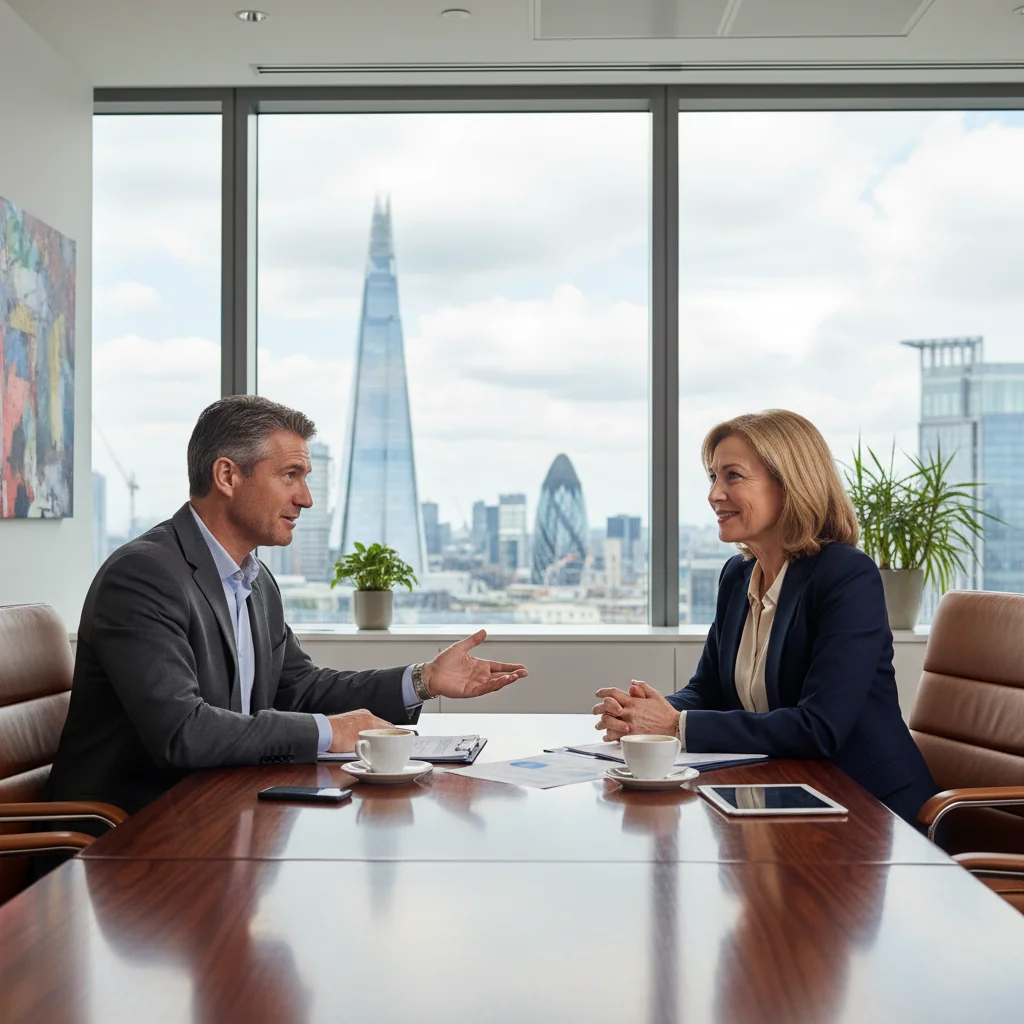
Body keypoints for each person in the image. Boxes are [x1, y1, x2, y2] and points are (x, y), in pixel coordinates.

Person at [48, 395, 528, 815]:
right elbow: (183, 732)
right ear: (227, 475)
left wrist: (423, 680)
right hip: (129, 836)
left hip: (222, 809)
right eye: (290, 476)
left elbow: (300, 689)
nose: (306, 499)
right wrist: (329, 732)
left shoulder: (255, 579)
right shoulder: (143, 577)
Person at [592, 409, 937, 824]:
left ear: (789, 484)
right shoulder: (737, 576)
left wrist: (676, 725)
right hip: (784, 796)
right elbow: (708, 690)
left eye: (732, 476)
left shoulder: (846, 575)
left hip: (869, 811)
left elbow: (820, 727)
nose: (714, 494)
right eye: (713, 477)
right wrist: (645, 716)